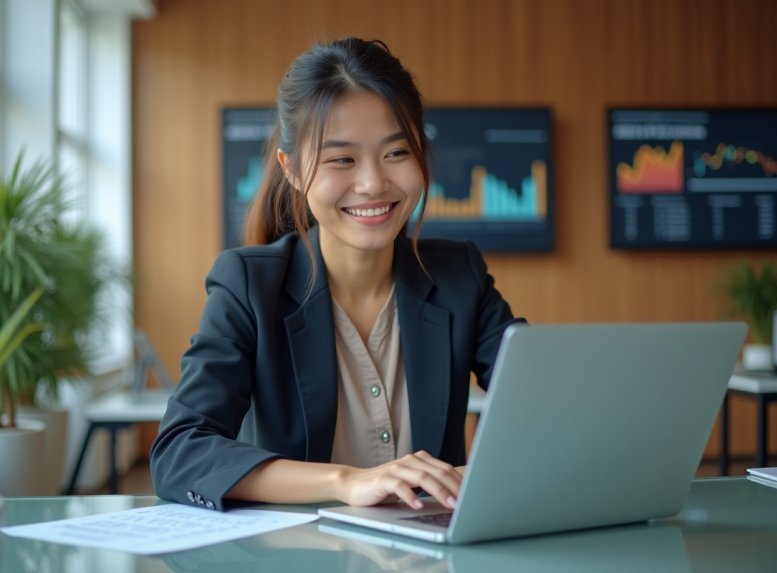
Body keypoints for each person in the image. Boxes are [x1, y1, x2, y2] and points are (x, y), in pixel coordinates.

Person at [150, 37, 523, 513]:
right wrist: (348, 482)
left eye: (396, 153)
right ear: (293, 170)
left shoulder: (459, 275)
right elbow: (179, 452)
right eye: (341, 159)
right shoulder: (248, 286)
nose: (372, 183)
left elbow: (550, 405)